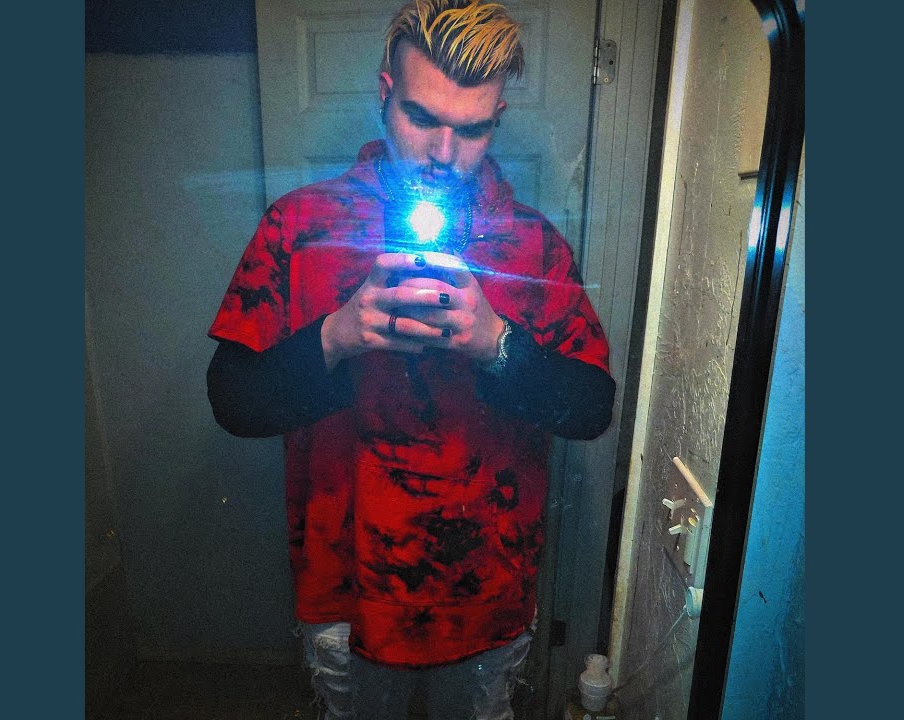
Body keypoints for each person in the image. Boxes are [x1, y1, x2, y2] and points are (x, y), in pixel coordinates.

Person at [206, 1, 615, 717]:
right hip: (347, 592)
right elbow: (232, 400)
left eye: (473, 128)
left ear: (498, 119)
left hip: (486, 595)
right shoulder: (300, 227)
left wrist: (496, 344)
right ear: (385, 94)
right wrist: (337, 335)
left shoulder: (533, 247)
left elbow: (592, 408)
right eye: (423, 118)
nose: (444, 152)